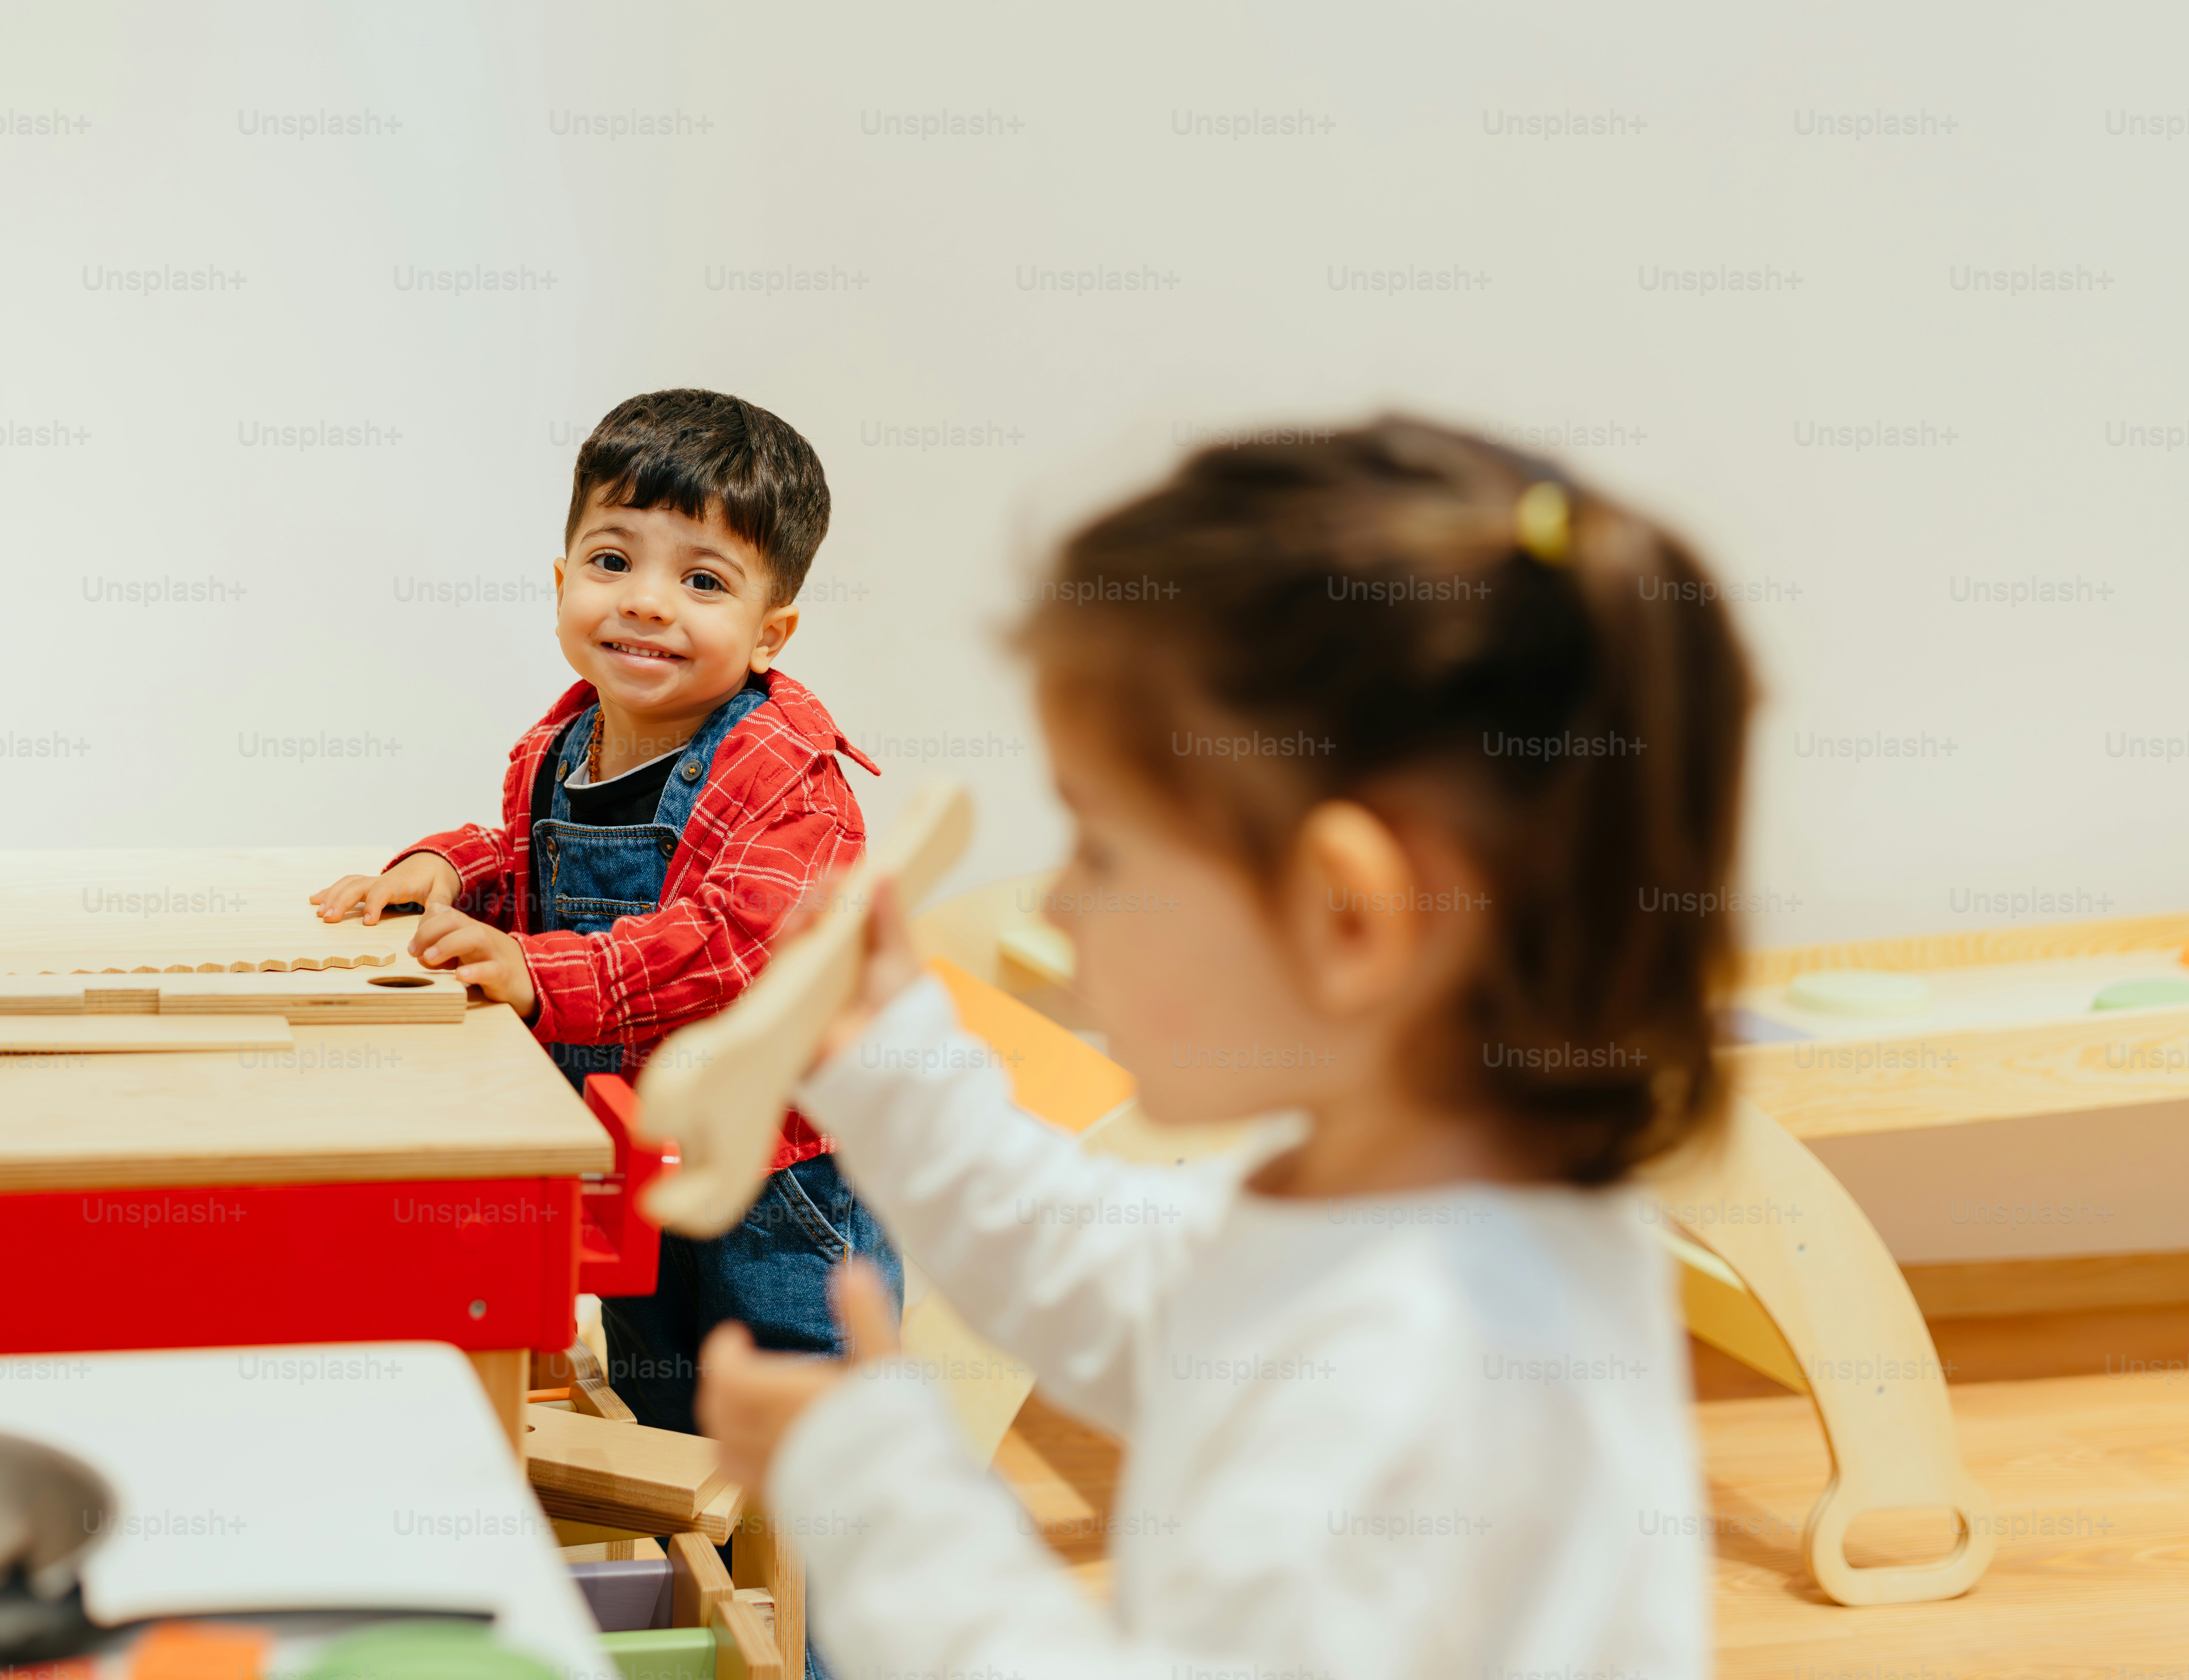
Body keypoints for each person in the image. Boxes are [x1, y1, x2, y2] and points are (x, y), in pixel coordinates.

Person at [698, 416, 1747, 1680]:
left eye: (1101, 850)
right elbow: (1131, 1292)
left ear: (1347, 918)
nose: (1063, 907)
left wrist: (881, 1504)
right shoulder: (1406, 1210)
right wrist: (898, 1063)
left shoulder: (1410, 1370)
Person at [313, 387, 899, 1435]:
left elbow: (736, 946)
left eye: (702, 580)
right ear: (562, 581)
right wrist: (448, 872)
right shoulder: (562, 745)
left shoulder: (785, 775)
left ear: (772, 633)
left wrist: (542, 975)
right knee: (663, 1396)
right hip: (636, 1160)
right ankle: (683, 1578)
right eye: (614, 561)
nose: (646, 602)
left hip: (774, 1190)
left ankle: (843, 1598)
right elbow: (543, 874)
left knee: (814, 1439)